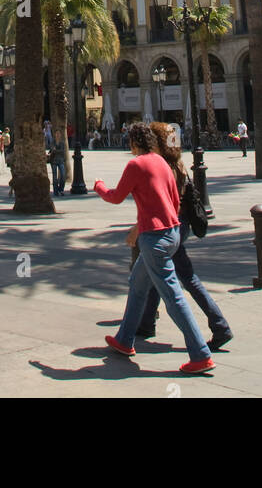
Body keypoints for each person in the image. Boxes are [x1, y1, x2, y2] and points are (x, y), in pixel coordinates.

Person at [94, 121, 214, 374]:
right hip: (172, 233)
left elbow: (116, 197)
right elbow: (174, 199)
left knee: (173, 297)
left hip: (154, 239)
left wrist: (99, 187)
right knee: (137, 287)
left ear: (134, 142)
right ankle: (125, 339)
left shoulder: (136, 164)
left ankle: (201, 353)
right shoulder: (161, 162)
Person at [136, 123, 233, 352]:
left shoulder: (163, 167)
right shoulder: (178, 164)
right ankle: (147, 322)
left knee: (187, 278)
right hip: (179, 226)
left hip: (170, 228)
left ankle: (219, 326)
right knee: (153, 273)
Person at [47, 129, 66, 197]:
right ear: (54, 135)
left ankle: (61, 189)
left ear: (60, 135)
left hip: (61, 161)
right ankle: (56, 191)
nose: (57, 135)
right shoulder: (52, 142)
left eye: (59, 134)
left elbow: (62, 151)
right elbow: (53, 149)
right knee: (55, 177)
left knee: (63, 175)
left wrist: (56, 150)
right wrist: (57, 150)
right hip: (54, 161)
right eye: (56, 134)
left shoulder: (62, 143)